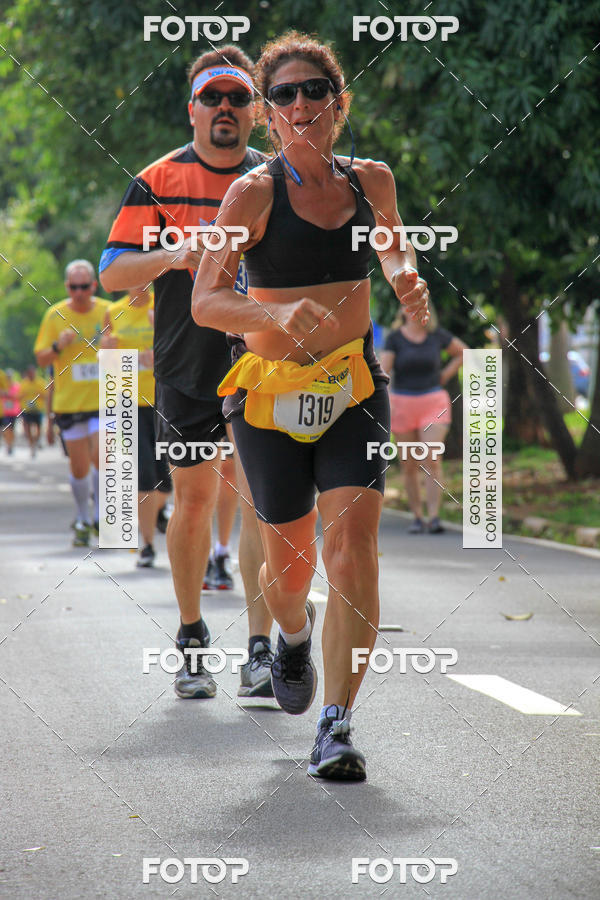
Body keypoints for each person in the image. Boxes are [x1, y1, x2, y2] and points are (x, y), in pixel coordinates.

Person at [191, 31, 430, 780]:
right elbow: (206, 299)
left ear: (338, 102)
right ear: (269, 113)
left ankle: (336, 725)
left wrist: (405, 276)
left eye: (315, 90)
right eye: (285, 95)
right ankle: (291, 637)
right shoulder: (252, 194)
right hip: (269, 397)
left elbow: (393, 245)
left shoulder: (373, 181)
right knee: (290, 571)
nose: (301, 104)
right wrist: (272, 313)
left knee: (352, 547)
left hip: (352, 386)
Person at [99, 47, 274, 700]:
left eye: (238, 97)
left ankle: (261, 650)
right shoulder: (158, 180)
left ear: (255, 112)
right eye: (212, 97)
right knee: (195, 500)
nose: (225, 107)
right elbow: (113, 271)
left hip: (263, 365)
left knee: (261, 505)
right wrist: (174, 253)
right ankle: (193, 640)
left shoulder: (276, 178)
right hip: (185, 366)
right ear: (192, 109)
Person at [34, 260, 110, 546]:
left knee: (103, 456)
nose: (79, 293)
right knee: (79, 468)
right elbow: (41, 358)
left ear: (94, 286)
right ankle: (82, 517)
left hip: (104, 400)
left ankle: (101, 516)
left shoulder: (108, 312)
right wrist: (58, 346)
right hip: (70, 403)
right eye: (74, 287)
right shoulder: (54, 315)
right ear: (67, 287)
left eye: (84, 287)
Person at [101, 284, 172, 567]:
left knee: (167, 477)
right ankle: (148, 545)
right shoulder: (113, 311)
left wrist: (158, 355)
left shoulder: (163, 304)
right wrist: (108, 352)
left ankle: (159, 510)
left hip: (165, 399)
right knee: (144, 473)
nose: (138, 282)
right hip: (129, 401)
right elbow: (106, 363)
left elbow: (179, 347)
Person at [380, 306, 466, 533]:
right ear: (402, 311)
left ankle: (434, 516)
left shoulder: (437, 335)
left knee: (432, 457)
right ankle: (417, 516)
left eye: (418, 306)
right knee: (409, 464)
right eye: (408, 306)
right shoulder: (395, 338)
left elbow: (463, 352)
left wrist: (445, 374)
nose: (413, 310)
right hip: (402, 404)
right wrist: (386, 400)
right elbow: (383, 373)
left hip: (433, 402)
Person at [20, 365, 46, 457]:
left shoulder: (40, 382)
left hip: (38, 409)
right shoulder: (24, 383)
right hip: (27, 409)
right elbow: (19, 395)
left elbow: (46, 395)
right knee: (27, 427)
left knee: (38, 427)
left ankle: (37, 440)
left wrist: (38, 394)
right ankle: (31, 444)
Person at [0, 369, 20, 455]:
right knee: (6, 429)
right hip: (5, 412)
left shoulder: (16, 386)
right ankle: (8, 445)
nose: (8, 378)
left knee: (11, 430)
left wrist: (7, 394)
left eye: (9, 377)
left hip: (13, 412)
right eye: (7, 377)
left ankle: (10, 444)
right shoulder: (3, 385)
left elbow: (18, 396)